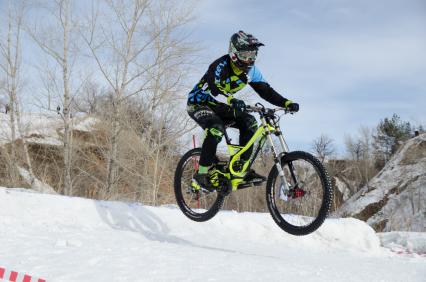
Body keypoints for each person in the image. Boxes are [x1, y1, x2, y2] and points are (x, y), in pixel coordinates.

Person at [187, 30, 299, 191]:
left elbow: (266, 91)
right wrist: (232, 100)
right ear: (234, 53)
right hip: (199, 103)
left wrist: (286, 102)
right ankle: (201, 175)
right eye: (246, 55)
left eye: (253, 55)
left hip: (222, 106)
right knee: (216, 129)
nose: (250, 59)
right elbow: (214, 90)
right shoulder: (220, 65)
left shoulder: (252, 72)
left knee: (250, 122)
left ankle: (241, 169)